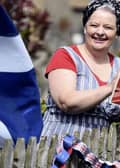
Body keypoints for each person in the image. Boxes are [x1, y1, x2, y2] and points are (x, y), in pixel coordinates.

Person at [41, 0, 120, 141]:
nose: (100, 32)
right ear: (85, 28)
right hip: (59, 148)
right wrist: (110, 87)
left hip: (99, 151)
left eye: (108, 27)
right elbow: (66, 102)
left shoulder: (118, 66)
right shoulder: (66, 56)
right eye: (94, 25)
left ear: (116, 32)